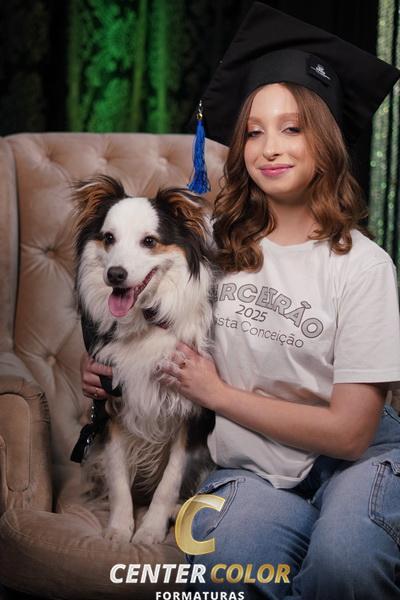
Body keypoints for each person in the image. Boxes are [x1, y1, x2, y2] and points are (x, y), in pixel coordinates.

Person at [81, 4, 400, 599]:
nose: (270, 147)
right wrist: (106, 364)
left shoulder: (364, 265)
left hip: (354, 463)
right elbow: (142, 318)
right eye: (254, 131)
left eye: (292, 128)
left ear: (326, 141)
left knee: (347, 562)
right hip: (253, 469)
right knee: (228, 564)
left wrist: (219, 395)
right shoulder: (210, 251)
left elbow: (352, 433)